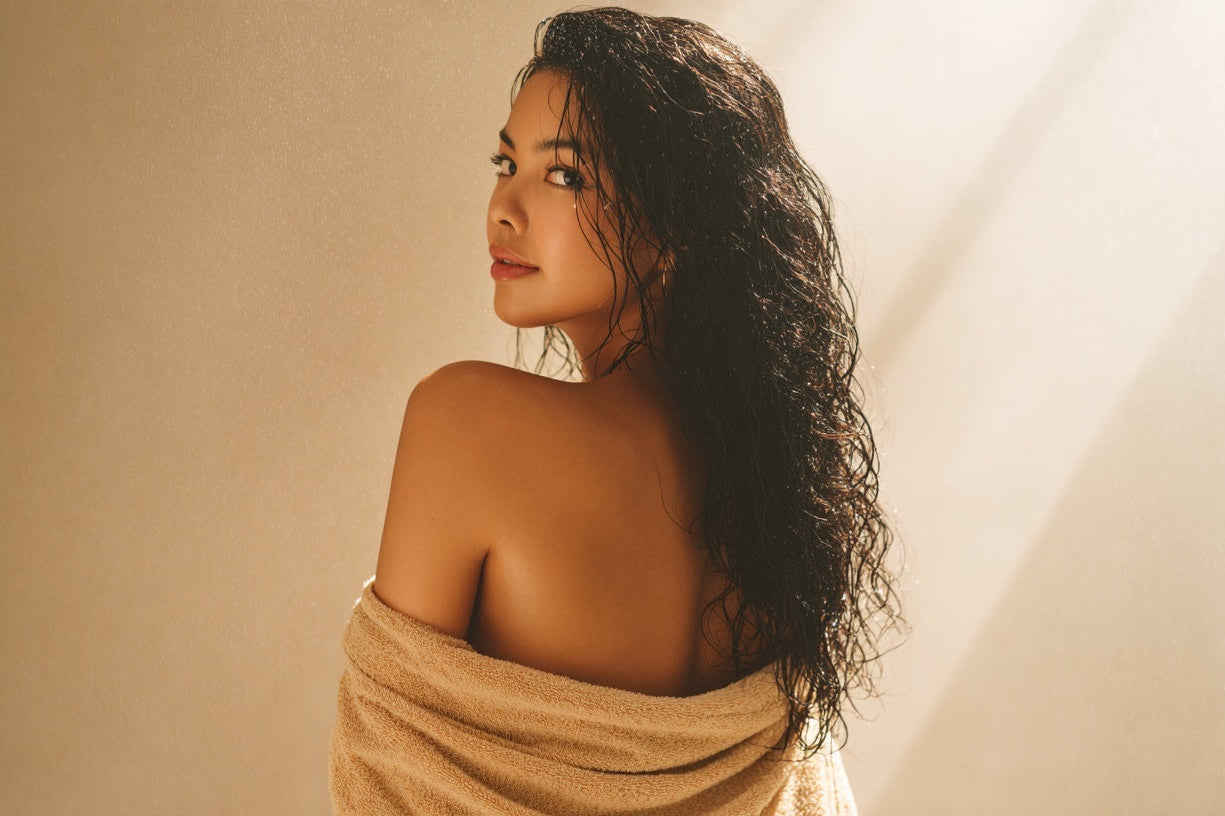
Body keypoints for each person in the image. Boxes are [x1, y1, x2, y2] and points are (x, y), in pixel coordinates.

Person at [329, 7, 905, 814]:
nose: (504, 206)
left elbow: (390, 784)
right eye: (505, 162)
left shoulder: (466, 423)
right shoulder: (782, 490)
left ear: (678, 224)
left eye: (565, 175)